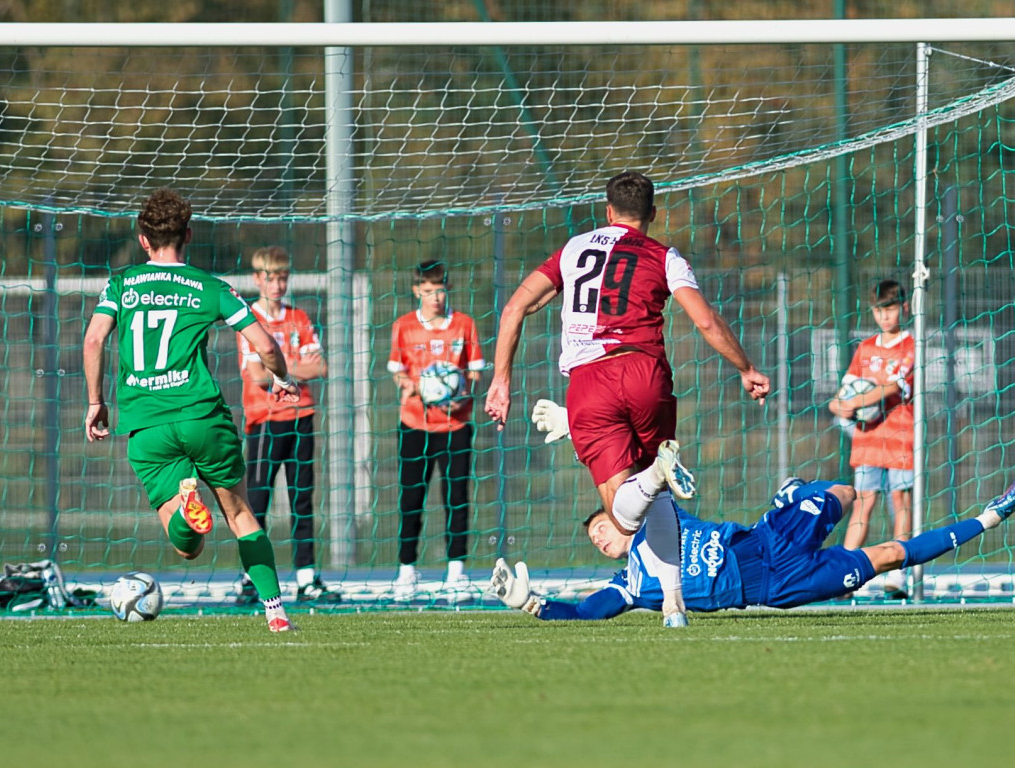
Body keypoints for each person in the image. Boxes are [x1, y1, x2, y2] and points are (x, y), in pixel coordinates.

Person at [484, 170, 769, 625]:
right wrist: (747, 368)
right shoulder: (665, 255)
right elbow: (707, 321)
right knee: (655, 496)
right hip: (646, 374)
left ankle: (658, 473)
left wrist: (502, 380)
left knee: (624, 513)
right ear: (652, 215)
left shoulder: (575, 249)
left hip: (590, 383)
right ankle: (674, 607)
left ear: (607, 210)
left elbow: (516, 306)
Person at [82, 188, 299, 633]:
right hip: (203, 417)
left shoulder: (121, 284)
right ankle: (276, 614)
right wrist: (282, 379)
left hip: (148, 426)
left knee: (187, 547)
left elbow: (93, 340)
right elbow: (265, 345)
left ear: (144, 239)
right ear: (189, 235)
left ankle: (186, 508)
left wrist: (96, 402)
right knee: (240, 515)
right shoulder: (209, 287)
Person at [490, 471, 1015, 620]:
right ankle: (989, 518)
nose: (601, 538)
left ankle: (792, 491)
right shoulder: (629, 583)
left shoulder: (656, 514)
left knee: (845, 492)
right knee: (887, 557)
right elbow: (587, 611)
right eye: (594, 541)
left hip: (767, 537)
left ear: (618, 513)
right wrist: (533, 605)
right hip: (777, 584)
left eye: (601, 526)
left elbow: (642, 464)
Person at [234, 246, 341, 606]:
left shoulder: (300, 317)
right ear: (257, 279)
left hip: (301, 417)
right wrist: (294, 366)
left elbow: (320, 367)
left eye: (282, 277)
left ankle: (307, 577)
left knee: (302, 499)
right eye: (270, 277)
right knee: (258, 500)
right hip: (264, 421)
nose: (277, 284)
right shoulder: (248, 318)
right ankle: (251, 578)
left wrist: (281, 368)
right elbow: (256, 375)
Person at [386, 260, 485, 602]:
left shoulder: (464, 325)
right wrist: (412, 387)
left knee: (456, 497)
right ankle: (406, 572)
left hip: (456, 425)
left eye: (440, 290)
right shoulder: (403, 327)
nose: (435, 297)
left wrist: (461, 398)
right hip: (415, 424)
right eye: (428, 291)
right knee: (411, 498)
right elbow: (397, 372)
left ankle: (456, 573)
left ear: (448, 288)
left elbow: (473, 375)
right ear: (417, 291)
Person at [828, 279, 915, 598]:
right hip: (867, 440)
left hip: (901, 437)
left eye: (890, 309)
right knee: (862, 503)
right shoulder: (865, 348)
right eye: (879, 310)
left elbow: (891, 388)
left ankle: (899, 576)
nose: (885, 316)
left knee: (900, 502)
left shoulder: (911, 347)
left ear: (903, 308)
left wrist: (853, 403)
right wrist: (838, 404)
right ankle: (845, 577)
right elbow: (846, 388)